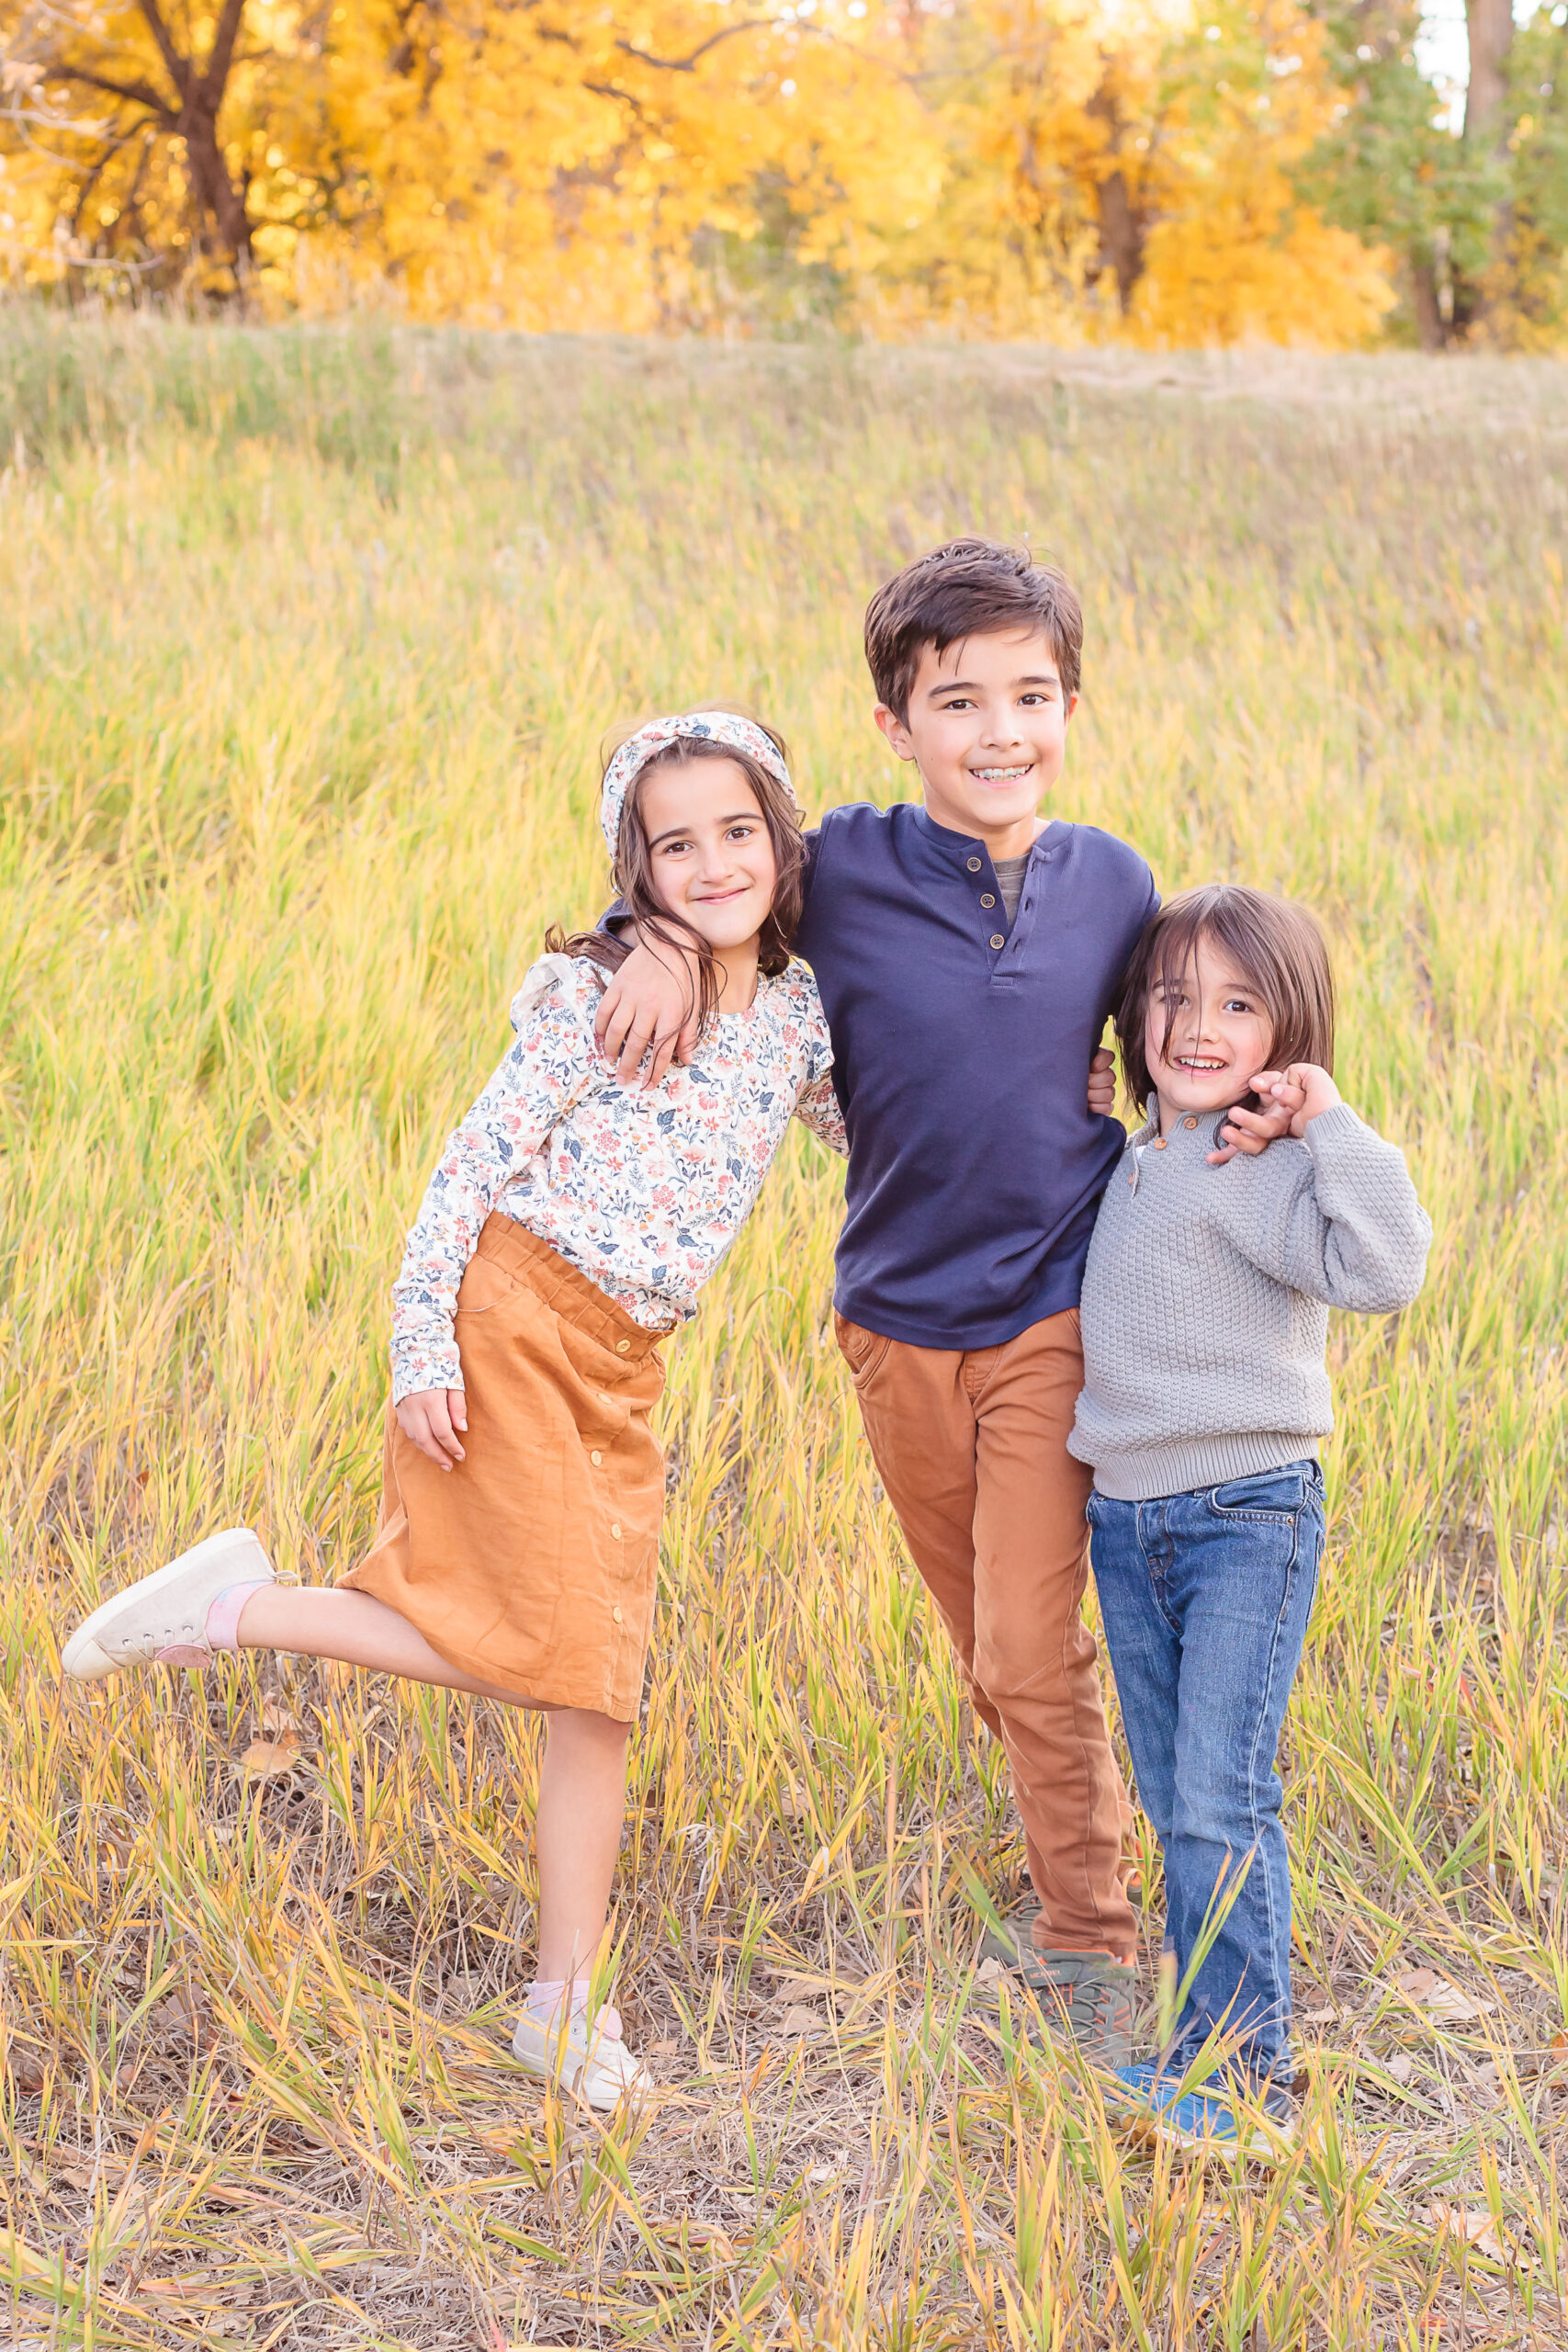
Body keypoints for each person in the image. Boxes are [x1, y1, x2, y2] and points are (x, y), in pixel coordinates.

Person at [62, 710, 848, 2111]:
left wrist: (1049, 1089)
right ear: (640, 867)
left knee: (592, 1682)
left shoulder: (797, 1015)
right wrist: (420, 1338)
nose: (715, 863)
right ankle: (243, 1616)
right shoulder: (596, 989)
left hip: (630, 1359)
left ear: (783, 835)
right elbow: (471, 1158)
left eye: (740, 831)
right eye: (678, 845)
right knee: (569, 1657)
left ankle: (561, 2000)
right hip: (519, 1315)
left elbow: (879, 1128)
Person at [589, 541, 1292, 2064]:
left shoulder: (1113, 883)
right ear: (897, 724)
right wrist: (643, 939)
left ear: (1073, 706)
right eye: (957, 699)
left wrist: (1287, 1091)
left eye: (1031, 696)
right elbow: (702, 878)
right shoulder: (833, 867)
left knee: (1035, 1649)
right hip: (893, 1327)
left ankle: (1093, 1940)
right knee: (987, 1651)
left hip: (1055, 1306)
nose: (999, 731)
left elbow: (1186, 1033)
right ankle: (1072, 1848)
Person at [1069, 883, 1430, 2150]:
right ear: (1135, 1015)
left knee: (1221, 1794)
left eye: (1238, 1004)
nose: (1201, 1025)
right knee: (1175, 1799)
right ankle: (1201, 2045)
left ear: (1287, 1034)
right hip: (1126, 1524)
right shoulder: (1125, 1161)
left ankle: (1244, 2080)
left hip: (1248, 1516)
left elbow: (1388, 1268)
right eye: (1174, 997)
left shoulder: (1266, 1167)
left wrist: (1327, 1122)